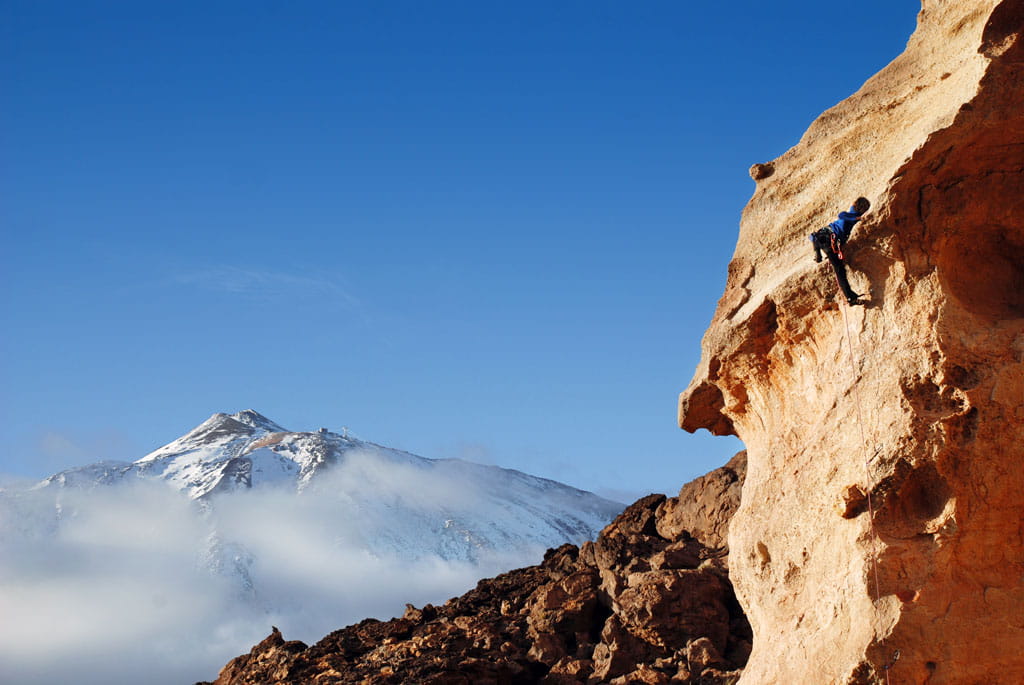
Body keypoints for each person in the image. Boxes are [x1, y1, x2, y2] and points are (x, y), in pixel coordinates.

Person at [810, 197, 870, 305]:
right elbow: (841, 215)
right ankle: (851, 298)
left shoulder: (852, 212)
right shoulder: (850, 215)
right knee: (840, 271)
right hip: (830, 241)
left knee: (816, 237)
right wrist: (857, 218)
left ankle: (817, 250)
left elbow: (845, 214)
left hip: (824, 236)